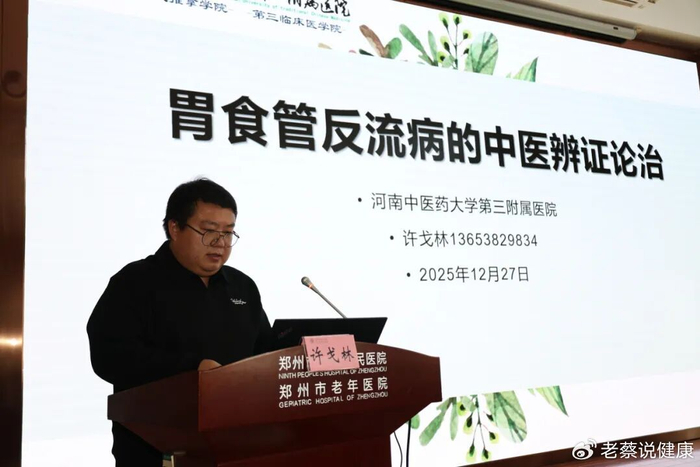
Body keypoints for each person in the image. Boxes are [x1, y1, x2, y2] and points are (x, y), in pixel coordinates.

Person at [87, 178, 272, 467]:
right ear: (175, 228)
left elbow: (265, 352)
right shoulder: (135, 283)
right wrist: (192, 369)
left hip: (236, 446)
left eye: (228, 233)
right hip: (154, 450)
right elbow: (109, 356)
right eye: (208, 231)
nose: (220, 243)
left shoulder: (242, 287)